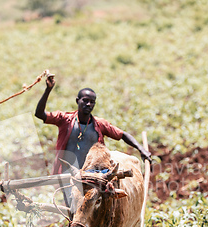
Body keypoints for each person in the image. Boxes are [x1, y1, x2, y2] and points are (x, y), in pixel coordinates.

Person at [35, 75, 152, 205]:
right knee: (73, 208)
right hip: (69, 174)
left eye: (92, 102)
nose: (88, 104)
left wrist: (141, 149)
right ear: (77, 101)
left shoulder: (100, 125)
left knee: (92, 209)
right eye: (85, 100)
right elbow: (40, 114)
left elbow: (122, 134)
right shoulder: (65, 120)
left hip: (93, 175)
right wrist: (48, 90)